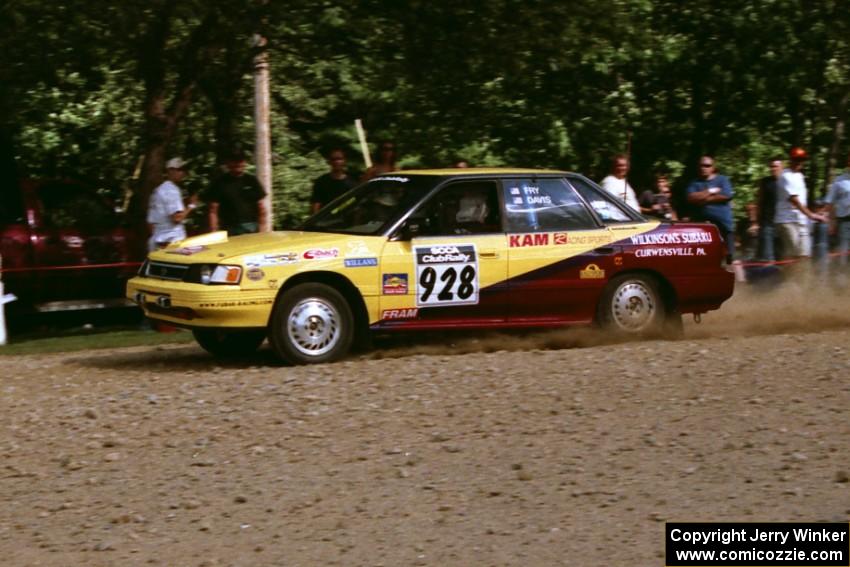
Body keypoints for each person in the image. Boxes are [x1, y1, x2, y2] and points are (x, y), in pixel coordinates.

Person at [774, 147, 827, 259]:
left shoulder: (800, 176)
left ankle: (803, 276)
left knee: (804, 255)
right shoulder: (786, 176)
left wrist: (811, 216)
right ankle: (788, 276)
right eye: (796, 159)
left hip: (801, 220)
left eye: (801, 160)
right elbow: (795, 200)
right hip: (787, 220)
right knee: (793, 254)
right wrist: (812, 215)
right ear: (791, 160)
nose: (799, 162)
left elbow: (802, 201)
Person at [207, 149, 268, 235]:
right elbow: (213, 209)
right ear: (228, 163)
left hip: (251, 227)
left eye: (240, 160)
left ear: (245, 162)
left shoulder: (251, 180)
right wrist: (213, 231)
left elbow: (261, 207)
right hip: (229, 228)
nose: (237, 163)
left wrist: (263, 230)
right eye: (234, 161)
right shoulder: (220, 182)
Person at [686, 156, 735, 259]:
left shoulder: (723, 180)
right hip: (701, 228)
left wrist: (703, 199)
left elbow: (726, 195)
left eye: (707, 166)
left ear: (713, 168)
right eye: (701, 166)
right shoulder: (695, 183)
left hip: (724, 226)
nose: (703, 168)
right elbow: (691, 197)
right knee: (703, 257)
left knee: (730, 257)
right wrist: (710, 191)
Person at [146, 157, 197, 251]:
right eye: (179, 170)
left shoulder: (158, 190)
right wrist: (191, 205)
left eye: (184, 170)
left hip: (158, 241)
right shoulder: (171, 190)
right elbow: (177, 218)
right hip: (172, 242)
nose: (183, 173)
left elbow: (151, 223)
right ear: (170, 171)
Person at [752, 157, 783, 261]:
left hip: (783, 223)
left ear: (782, 167)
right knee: (768, 256)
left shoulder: (787, 182)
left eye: (776, 166)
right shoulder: (765, 182)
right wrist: (755, 222)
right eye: (771, 166)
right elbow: (759, 202)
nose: (773, 168)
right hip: (767, 223)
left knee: (782, 255)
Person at [824, 151, 850, 276]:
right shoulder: (839, 181)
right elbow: (829, 202)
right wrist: (830, 222)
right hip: (844, 221)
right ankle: (841, 283)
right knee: (843, 253)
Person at [310, 147, 356, 214]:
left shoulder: (352, 183)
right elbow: (316, 203)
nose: (336, 162)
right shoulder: (321, 182)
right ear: (329, 161)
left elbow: (354, 204)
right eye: (333, 159)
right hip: (325, 220)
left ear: (344, 160)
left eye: (339, 159)